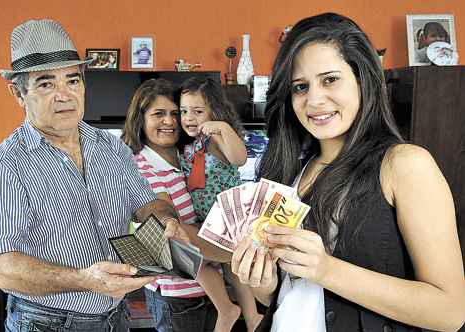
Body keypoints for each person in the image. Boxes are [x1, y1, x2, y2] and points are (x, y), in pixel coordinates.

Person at [231, 13, 465, 332]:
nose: (314, 99)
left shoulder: (405, 165)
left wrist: (327, 270)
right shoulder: (292, 170)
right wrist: (261, 281)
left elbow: (450, 312)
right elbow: (282, 296)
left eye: (330, 79)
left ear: (362, 79)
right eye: (300, 86)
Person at [0, 19, 188, 332]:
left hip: (116, 317)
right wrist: (84, 279)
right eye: (46, 84)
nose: (64, 95)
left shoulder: (110, 146)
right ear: (18, 93)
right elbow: (1, 269)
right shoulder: (3, 166)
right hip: (46, 323)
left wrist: (167, 221)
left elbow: (146, 204)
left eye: (72, 80)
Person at [119, 78, 220, 332]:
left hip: (211, 289)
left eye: (176, 113)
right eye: (158, 114)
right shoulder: (140, 167)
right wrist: (227, 249)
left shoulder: (188, 156)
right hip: (178, 297)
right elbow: (166, 237)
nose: (170, 121)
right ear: (140, 119)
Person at [179, 77, 263, 332]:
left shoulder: (217, 138)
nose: (189, 118)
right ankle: (247, 316)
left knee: (186, 249)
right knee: (229, 268)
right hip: (206, 219)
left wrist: (222, 128)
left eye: (198, 111)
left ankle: (236, 313)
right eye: (184, 111)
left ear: (214, 111)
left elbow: (239, 159)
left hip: (227, 218)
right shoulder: (193, 144)